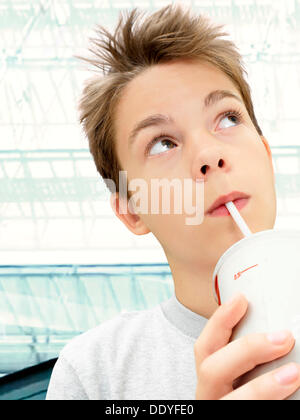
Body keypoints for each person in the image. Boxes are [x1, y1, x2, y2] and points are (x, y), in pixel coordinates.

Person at [46, 3, 300, 400]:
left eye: (228, 118)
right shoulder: (96, 372)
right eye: (163, 143)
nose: (208, 156)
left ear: (266, 157)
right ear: (131, 209)